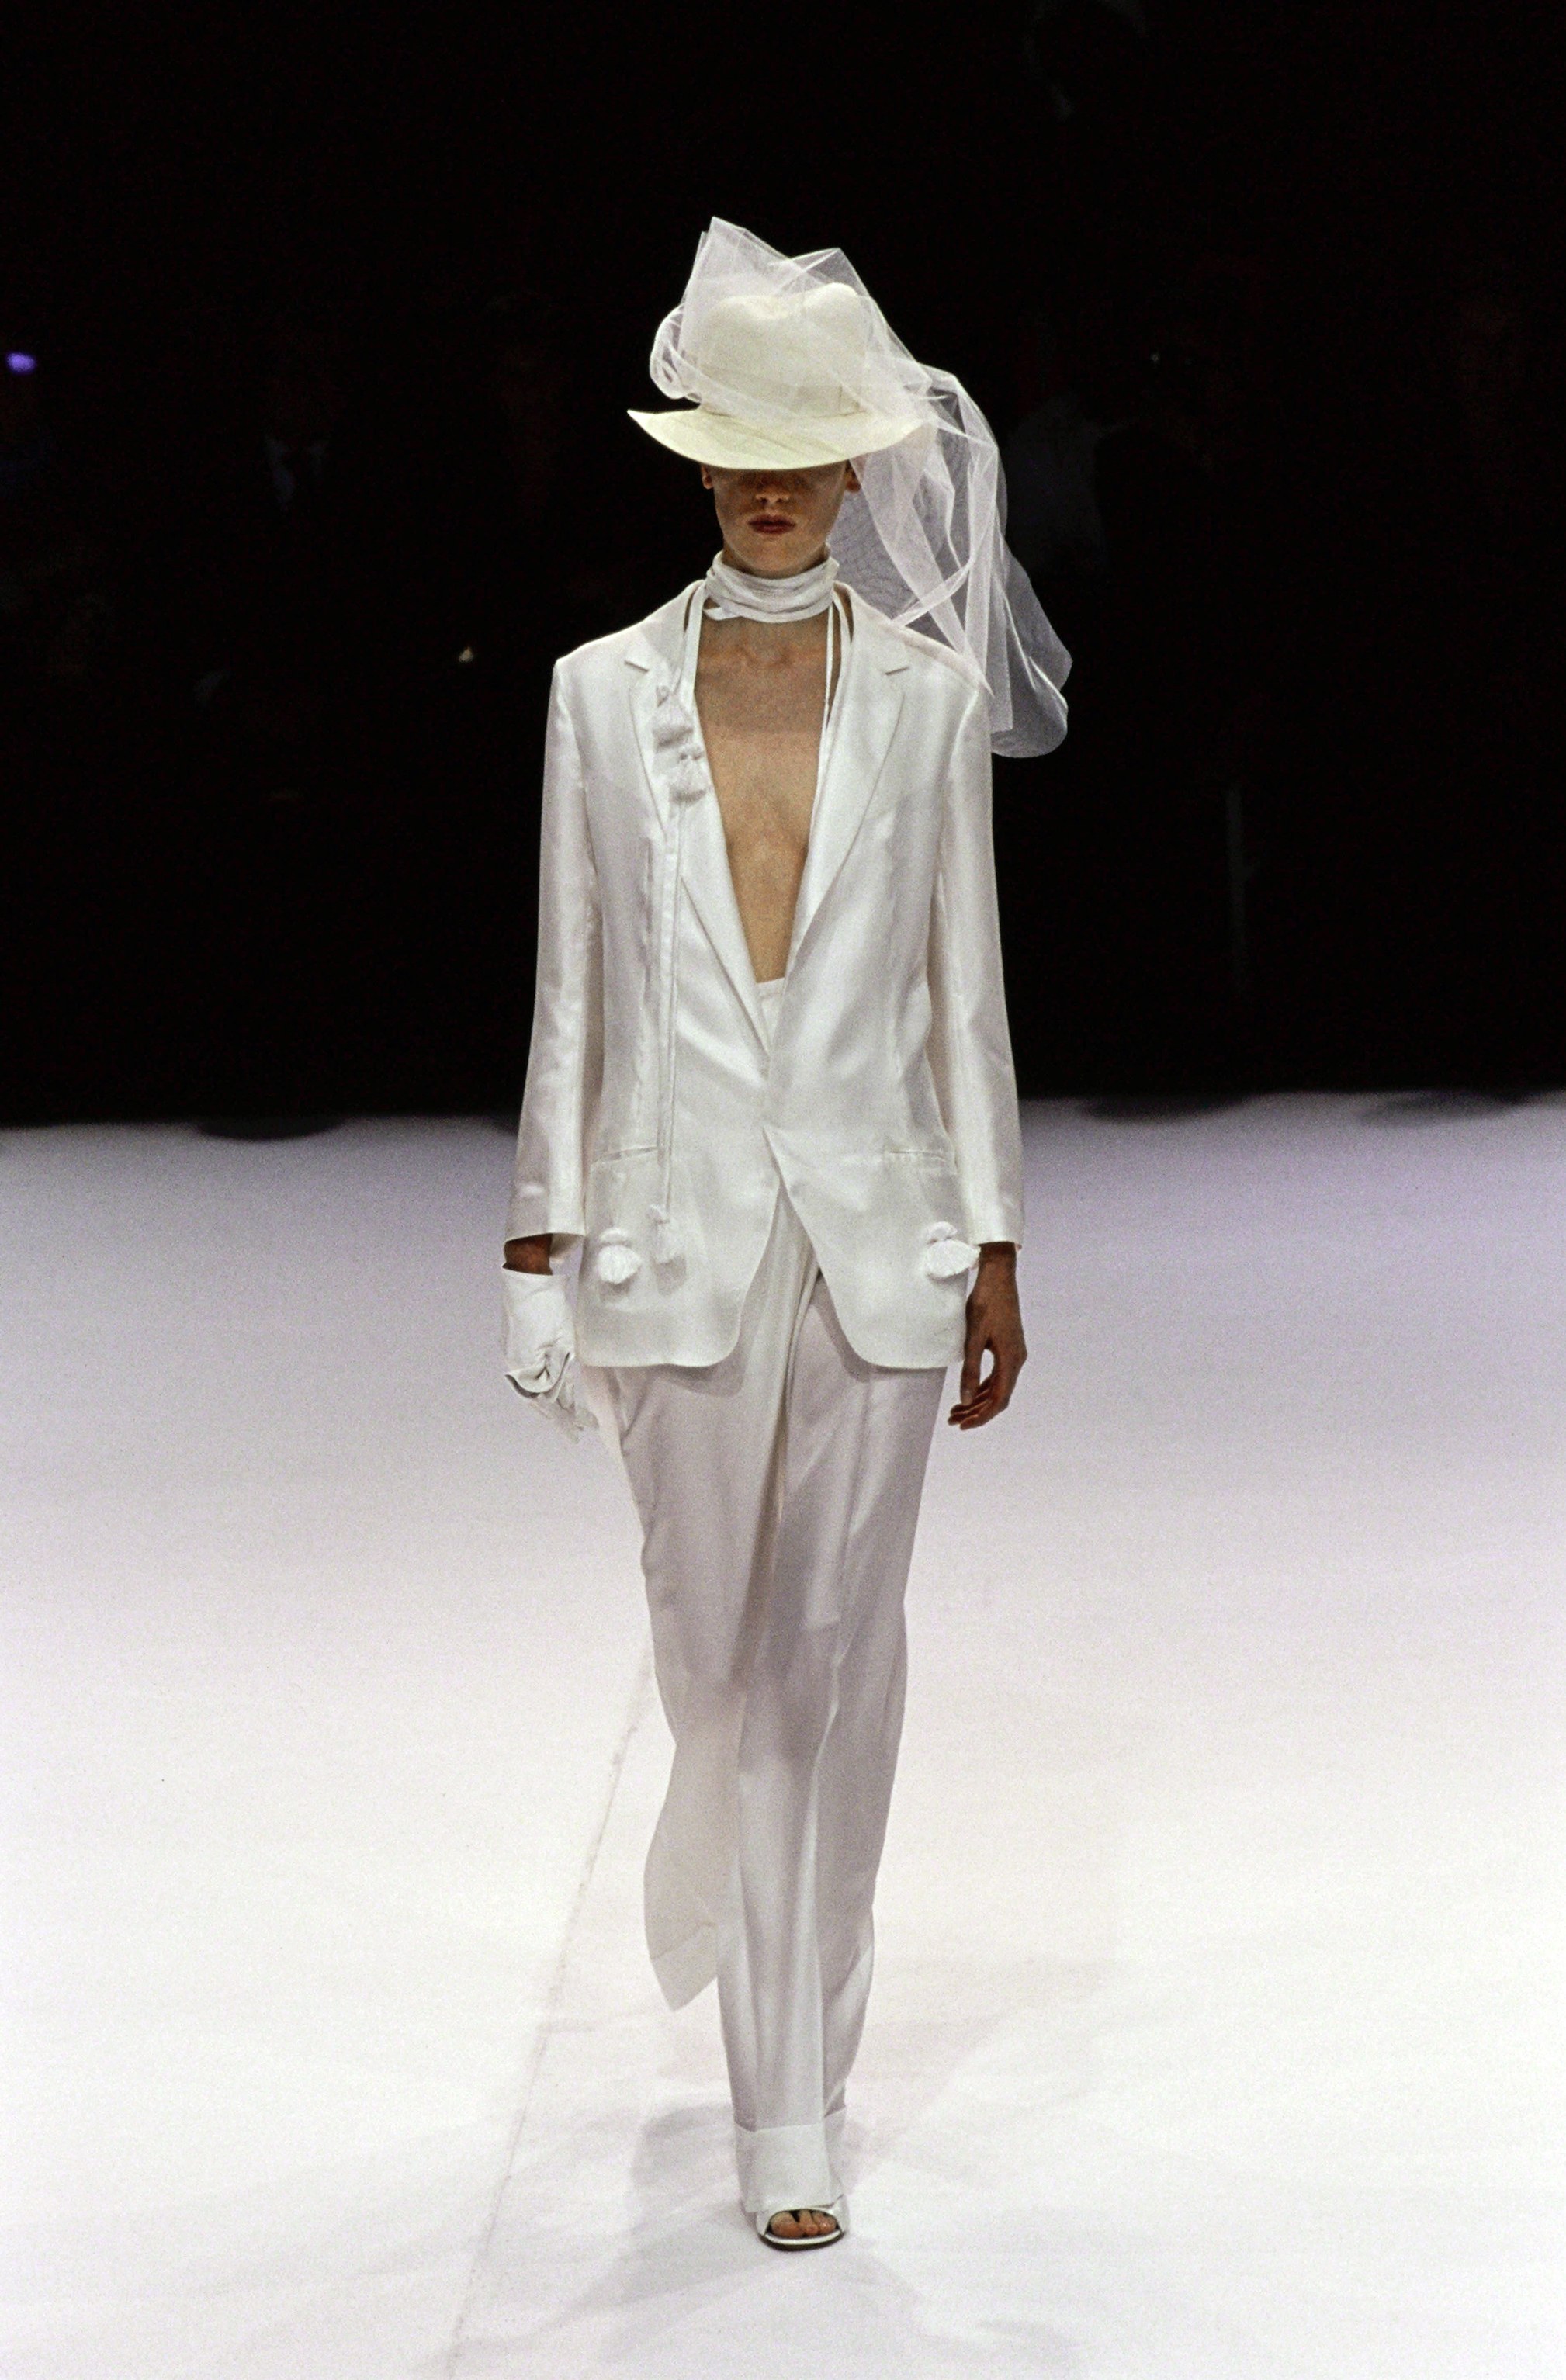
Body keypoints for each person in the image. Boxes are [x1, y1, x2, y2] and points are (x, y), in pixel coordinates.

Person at [500, 221, 1069, 2250]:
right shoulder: (594, 696)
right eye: (736, 445)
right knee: (715, 1666)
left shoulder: (924, 702)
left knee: (831, 1657)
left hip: (881, 1238)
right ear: (703, 461)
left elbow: (957, 987)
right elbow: (571, 980)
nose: (768, 481)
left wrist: (993, 1239)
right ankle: (722, 1865)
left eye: (802, 448)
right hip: (667, 1241)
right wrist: (535, 1240)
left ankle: (790, 2105)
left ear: (851, 468)